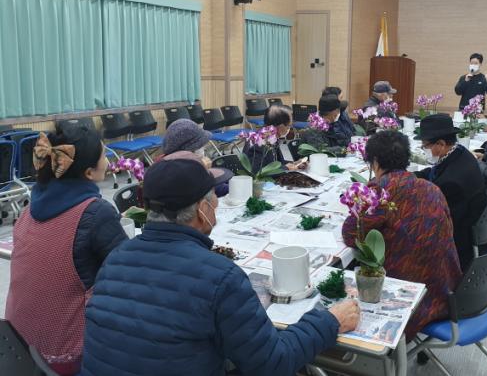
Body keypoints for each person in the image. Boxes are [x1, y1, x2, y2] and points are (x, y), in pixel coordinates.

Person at [80, 156, 360, 376]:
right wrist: (329, 321)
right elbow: (272, 363)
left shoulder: (115, 258)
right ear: (203, 209)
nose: (217, 205)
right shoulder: (220, 277)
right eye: (214, 198)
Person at [5, 127, 127, 375]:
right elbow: (131, 274)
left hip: (17, 347)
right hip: (64, 357)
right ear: (89, 172)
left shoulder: (28, 211)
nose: (108, 161)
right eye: (104, 155)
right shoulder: (95, 213)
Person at [342, 131, 462, 341]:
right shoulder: (431, 188)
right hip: (445, 290)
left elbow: (352, 234)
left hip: (412, 298)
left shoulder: (381, 191)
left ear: (375, 161)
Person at [414, 114, 487, 270]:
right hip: (466, 219)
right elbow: (433, 172)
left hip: (457, 240)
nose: (424, 149)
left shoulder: (451, 182)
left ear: (441, 144)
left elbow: (437, 218)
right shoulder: (459, 152)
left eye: (425, 146)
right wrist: (409, 176)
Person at [161, 118, 231, 197]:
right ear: (187, 151)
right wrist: (203, 172)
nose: (204, 148)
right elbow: (213, 189)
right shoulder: (180, 175)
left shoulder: (173, 165)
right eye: (200, 146)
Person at [245, 105, 307, 173]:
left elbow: (277, 162)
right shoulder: (259, 142)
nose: (289, 129)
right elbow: (257, 171)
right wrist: (286, 168)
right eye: (289, 126)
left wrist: (294, 164)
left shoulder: (272, 138)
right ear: (280, 126)